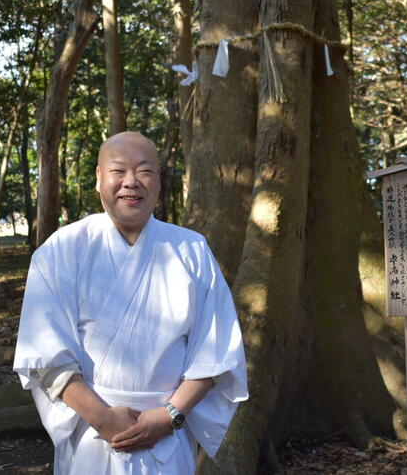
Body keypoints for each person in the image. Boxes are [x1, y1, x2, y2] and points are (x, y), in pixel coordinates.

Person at [13, 131, 248, 474]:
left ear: (159, 180)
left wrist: (169, 415)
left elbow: (215, 353)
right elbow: (46, 356)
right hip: (91, 433)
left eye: (144, 171)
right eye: (118, 171)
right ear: (98, 179)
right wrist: (104, 418)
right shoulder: (61, 250)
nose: (131, 182)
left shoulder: (192, 250)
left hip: (167, 432)